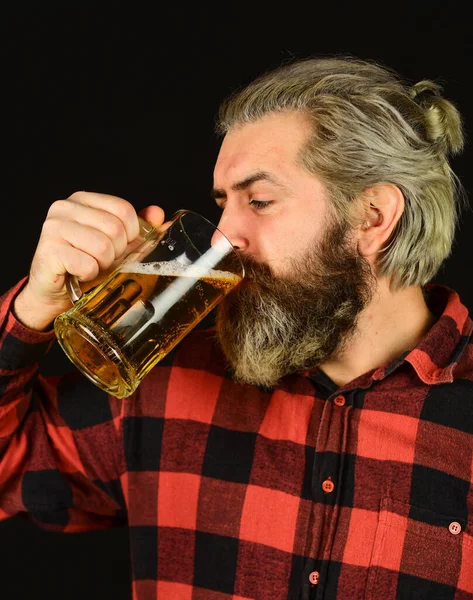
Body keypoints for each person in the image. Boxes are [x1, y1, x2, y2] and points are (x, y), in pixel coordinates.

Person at [1, 55, 472, 600]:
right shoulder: (167, 380)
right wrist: (34, 308)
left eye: (261, 201)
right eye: (223, 204)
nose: (223, 240)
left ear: (372, 217)